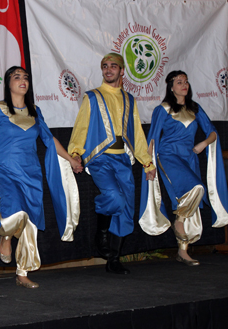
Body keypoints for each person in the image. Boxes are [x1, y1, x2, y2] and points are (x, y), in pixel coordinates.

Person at [0, 66, 82, 288]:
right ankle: (5, 236)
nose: (23, 80)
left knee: (30, 223)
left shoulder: (35, 111)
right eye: (17, 77)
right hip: (6, 170)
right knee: (14, 212)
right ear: (8, 83)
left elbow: (49, 139)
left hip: (32, 173)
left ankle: (22, 273)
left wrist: (71, 159)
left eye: (25, 77)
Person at [68, 53, 156, 275]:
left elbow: (136, 133)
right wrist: (76, 153)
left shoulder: (129, 99)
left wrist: (147, 162)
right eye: (105, 66)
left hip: (122, 160)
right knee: (114, 197)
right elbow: (81, 127)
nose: (108, 70)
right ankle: (102, 232)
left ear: (122, 70)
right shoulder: (92, 97)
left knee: (126, 208)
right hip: (100, 158)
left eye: (113, 66)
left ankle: (113, 259)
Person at [139, 70, 228, 265]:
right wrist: (149, 166)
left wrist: (203, 143)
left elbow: (213, 132)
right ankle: (178, 222)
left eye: (186, 82)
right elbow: (153, 138)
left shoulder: (195, 108)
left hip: (189, 158)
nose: (184, 85)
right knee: (197, 188)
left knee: (187, 200)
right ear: (171, 87)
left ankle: (183, 252)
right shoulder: (163, 109)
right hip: (168, 156)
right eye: (179, 82)